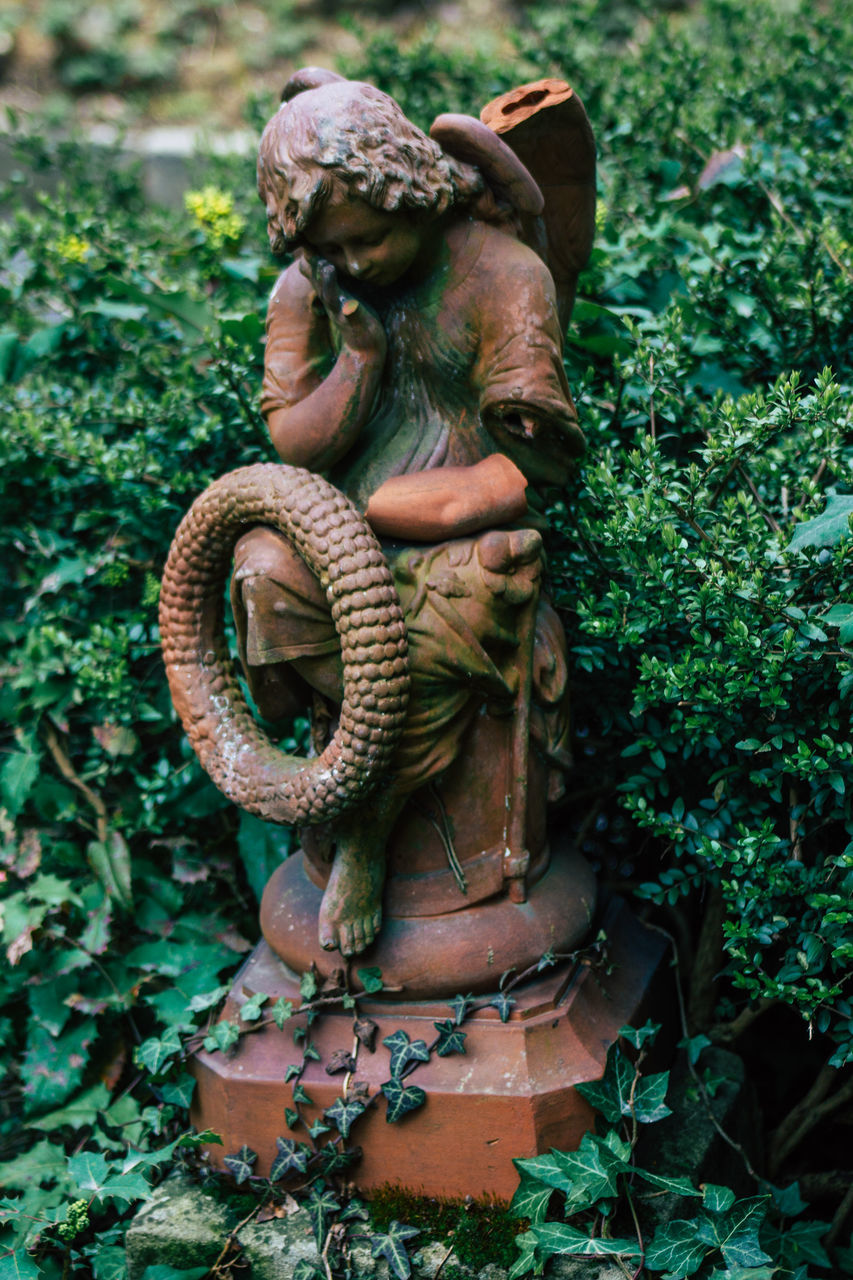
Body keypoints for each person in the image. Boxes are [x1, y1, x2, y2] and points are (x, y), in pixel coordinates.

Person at [232, 74, 586, 956]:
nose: (351, 266)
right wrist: (356, 360)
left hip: (463, 533)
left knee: (455, 608)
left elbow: (537, 459)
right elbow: (294, 445)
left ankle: (366, 826)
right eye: (327, 251)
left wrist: (446, 503)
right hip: (335, 527)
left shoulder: (505, 275)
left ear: (413, 191)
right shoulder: (309, 288)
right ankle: (332, 787)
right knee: (261, 571)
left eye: (369, 241)